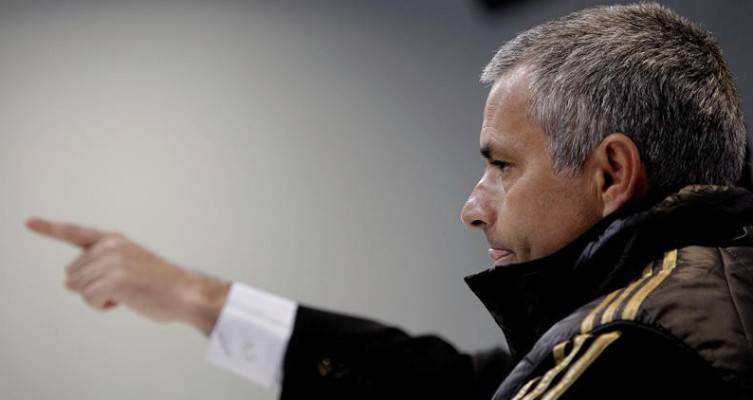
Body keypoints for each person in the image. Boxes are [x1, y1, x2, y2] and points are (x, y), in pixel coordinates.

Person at [25, 3, 753, 399]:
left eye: (502, 165)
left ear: (610, 174)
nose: (474, 207)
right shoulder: (688, 298)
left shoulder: (636, 348)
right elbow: (453, 386)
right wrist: (196, 299)